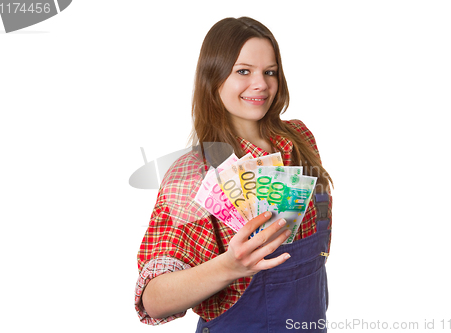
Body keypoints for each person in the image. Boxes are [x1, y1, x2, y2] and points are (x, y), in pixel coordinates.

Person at [135, 17, 333, 332]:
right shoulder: (193, 174)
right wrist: (229, 266)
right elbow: (153, 300)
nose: (261, 84)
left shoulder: (300, 139)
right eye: (243, 71)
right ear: (213, 79)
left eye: (270, 72)